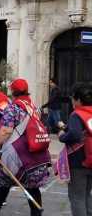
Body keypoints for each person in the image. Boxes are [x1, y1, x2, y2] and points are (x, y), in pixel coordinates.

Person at [0, 78, 51, 216]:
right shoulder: (33, 107)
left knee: (4, 177)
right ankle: (34, 212)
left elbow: (6, 130)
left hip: (18, 153)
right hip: (34, 151)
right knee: (26, 182)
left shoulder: (14, 108)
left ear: (13, 91)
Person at [58, 83, 92, 216]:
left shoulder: (76, 114)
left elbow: (75, 134)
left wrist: (62, 136)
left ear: (78, 99)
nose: (72, 101)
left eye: (72, 98)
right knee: (87, 195)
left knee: (76, 197)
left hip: (79, 162)